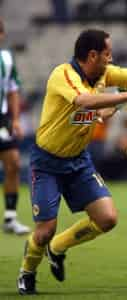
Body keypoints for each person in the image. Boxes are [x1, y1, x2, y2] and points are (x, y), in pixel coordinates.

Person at [17, 29, 127, 295]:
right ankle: (27, 272)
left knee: (107, 218)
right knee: (44, 230)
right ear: (92, 55)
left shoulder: (104, 73)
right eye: (107, 53)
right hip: (47, 162)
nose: (111, 58)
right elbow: (84, 100)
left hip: (79, 161)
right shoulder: (63, 75)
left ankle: (57, 248)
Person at [0, 19, 30, 235]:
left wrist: (16, 120)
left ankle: (10, 218)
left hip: (2, 119)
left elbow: (12, 90)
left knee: (14, 164)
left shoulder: (6, 59)